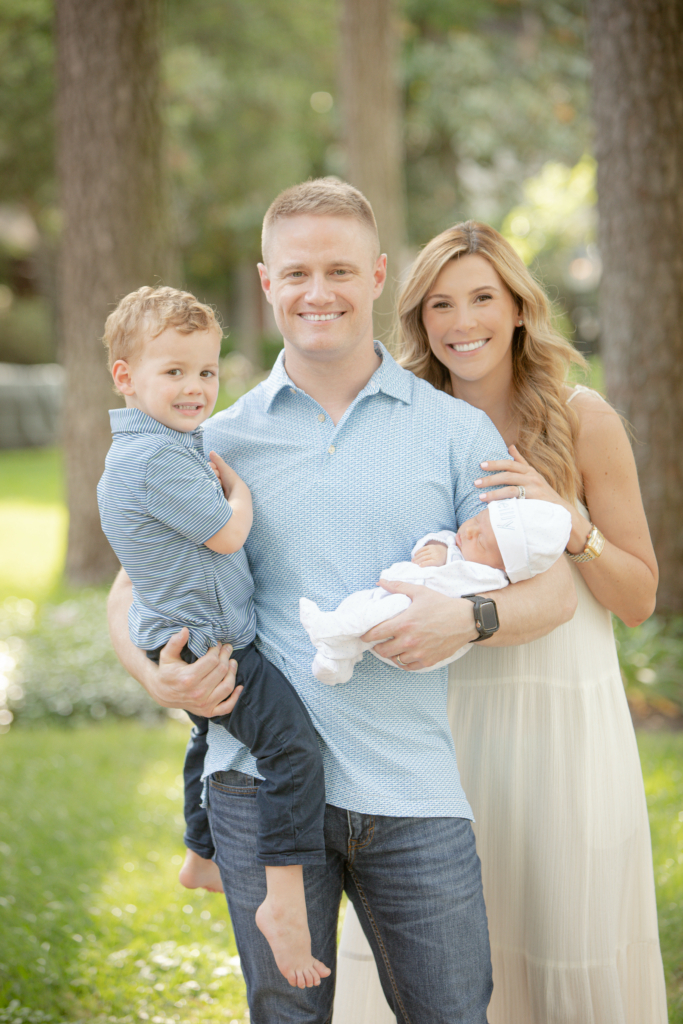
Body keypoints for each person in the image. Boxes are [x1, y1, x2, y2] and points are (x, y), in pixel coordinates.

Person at [106, 181, 577, 1024]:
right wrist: (155, 680)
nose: (316, 292)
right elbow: (131, 585)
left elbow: (549, 593)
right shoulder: (214, 434)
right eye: (295, 273)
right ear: (265, 282)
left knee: (451, 1013)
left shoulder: (455, 431)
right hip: (255, 790)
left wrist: (467, 617)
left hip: (412, 787)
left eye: (337, 269)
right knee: (284, 1017)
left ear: (375, 275)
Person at [334, 221, 667, 1024]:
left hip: (563, 719)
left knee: (560, 932)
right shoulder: (399, 421)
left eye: (483, 297)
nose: (461, 322)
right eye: (440, 304)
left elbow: (637, 597)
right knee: (443, 942)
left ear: (519, 307)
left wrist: (571, 522)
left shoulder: (583, 418)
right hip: (437, 717)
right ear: (418, 320)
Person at [97, 285, 331, 989]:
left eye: (206, 371)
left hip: (185, 638)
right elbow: (227, 532)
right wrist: (242, 496)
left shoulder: (159, 445)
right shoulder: (157, 459)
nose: (196, 388)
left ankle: (200, 856)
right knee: (291, 747)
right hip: (211, 646)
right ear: (125, 376)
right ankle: (282, 900)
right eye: (174, 372)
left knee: (207, 738)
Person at [300, 497, 572, 684]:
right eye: (476, 520)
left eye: (481, 540)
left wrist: (446, 561)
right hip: (407, 602)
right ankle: (337, 662)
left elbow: (451, 586)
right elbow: (438, 540)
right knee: (364, 605)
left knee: (374, 615)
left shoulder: (488, 578)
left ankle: (330, 631)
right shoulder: (462, 548)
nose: (468, 533)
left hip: (421, 626)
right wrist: (437, 548)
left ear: (503, 567)